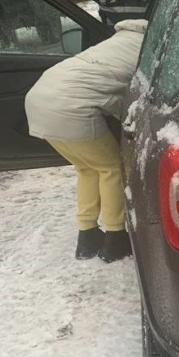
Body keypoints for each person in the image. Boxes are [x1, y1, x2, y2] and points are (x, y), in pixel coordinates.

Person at [24, 20, 147, 262]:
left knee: (87, 169)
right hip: (70, 108)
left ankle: (87, 234)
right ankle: (115, 237)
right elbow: (130, 96)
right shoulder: (144, 50)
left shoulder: (117, 42)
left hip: (38, 102)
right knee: (111, 168)